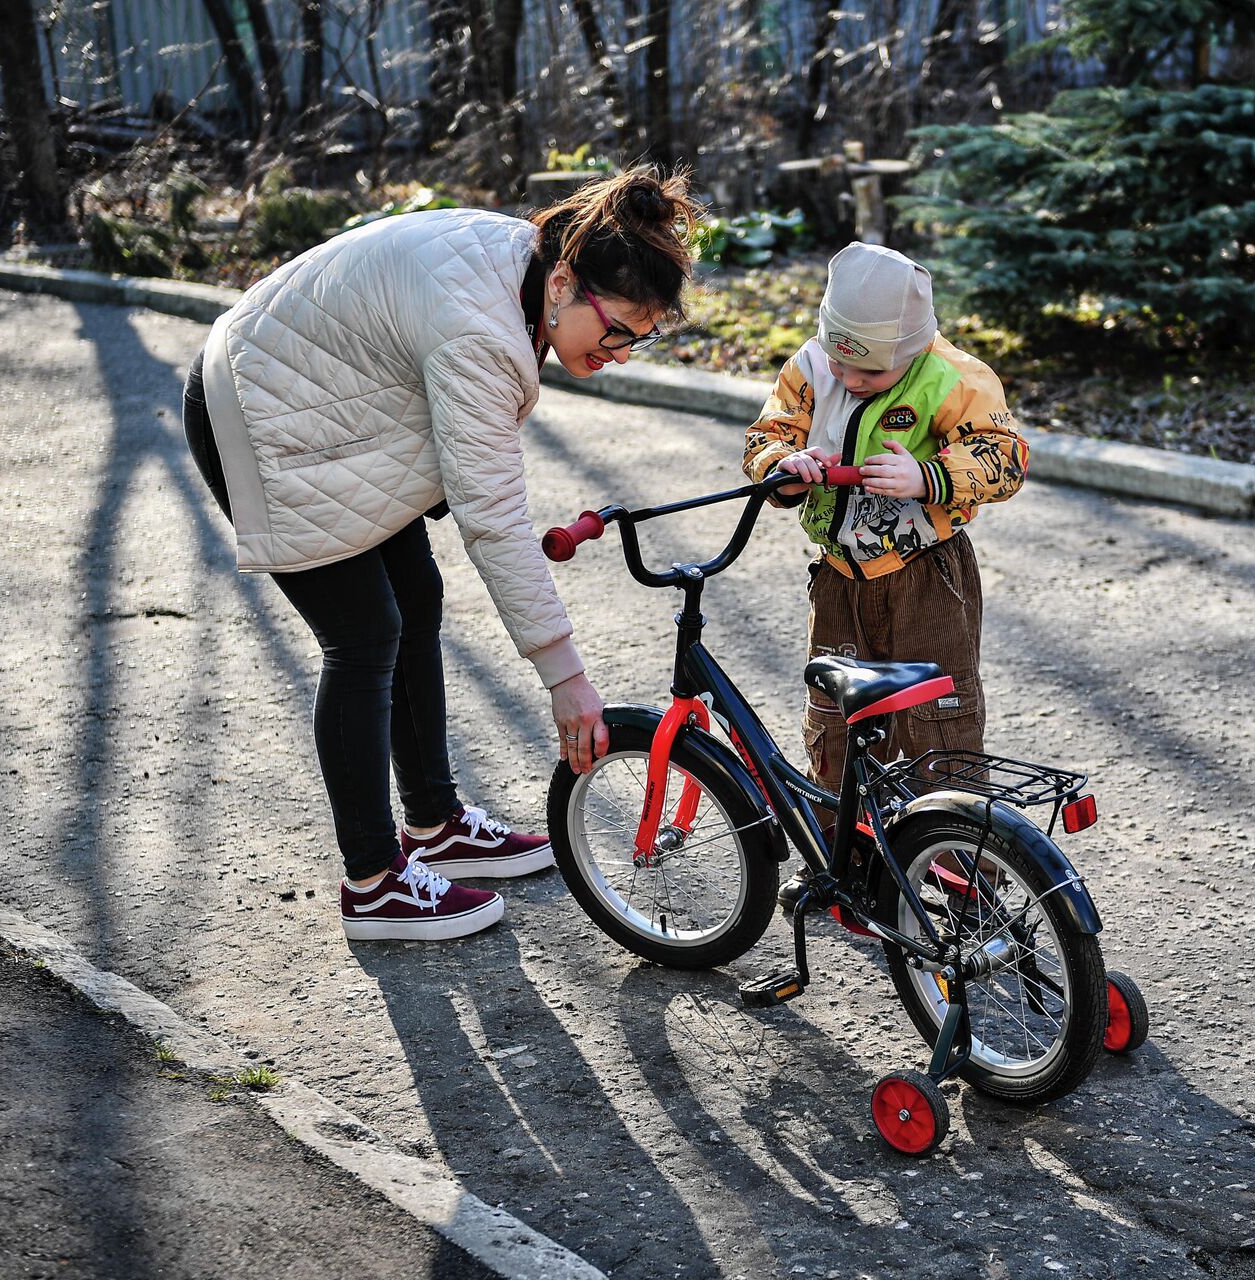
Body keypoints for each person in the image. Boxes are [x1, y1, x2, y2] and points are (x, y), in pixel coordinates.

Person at [182, 169, 702, 942]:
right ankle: (372, 881)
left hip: (330, 408)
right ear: (564, 283)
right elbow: (491, 516)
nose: (623, 352)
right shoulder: (485, 331)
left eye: (641, 338)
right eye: (618, 330)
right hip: (263, 416)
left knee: (415, 600)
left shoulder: (531, 266)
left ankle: (435, 824)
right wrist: (566, 677)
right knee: (363, 638)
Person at [741, 241, 1028, 803]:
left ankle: (962, 879)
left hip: (926, 576)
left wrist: (929, 478)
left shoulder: (954, 379)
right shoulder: (808, 368)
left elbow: (1007, 457)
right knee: (837, 721)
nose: (849, 379)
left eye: (870, 369)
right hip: (839, 577)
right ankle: (844, 867)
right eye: (839, 361)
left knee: (941, 721)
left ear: (915, 350)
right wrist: (785, 467)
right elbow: (768, 435)